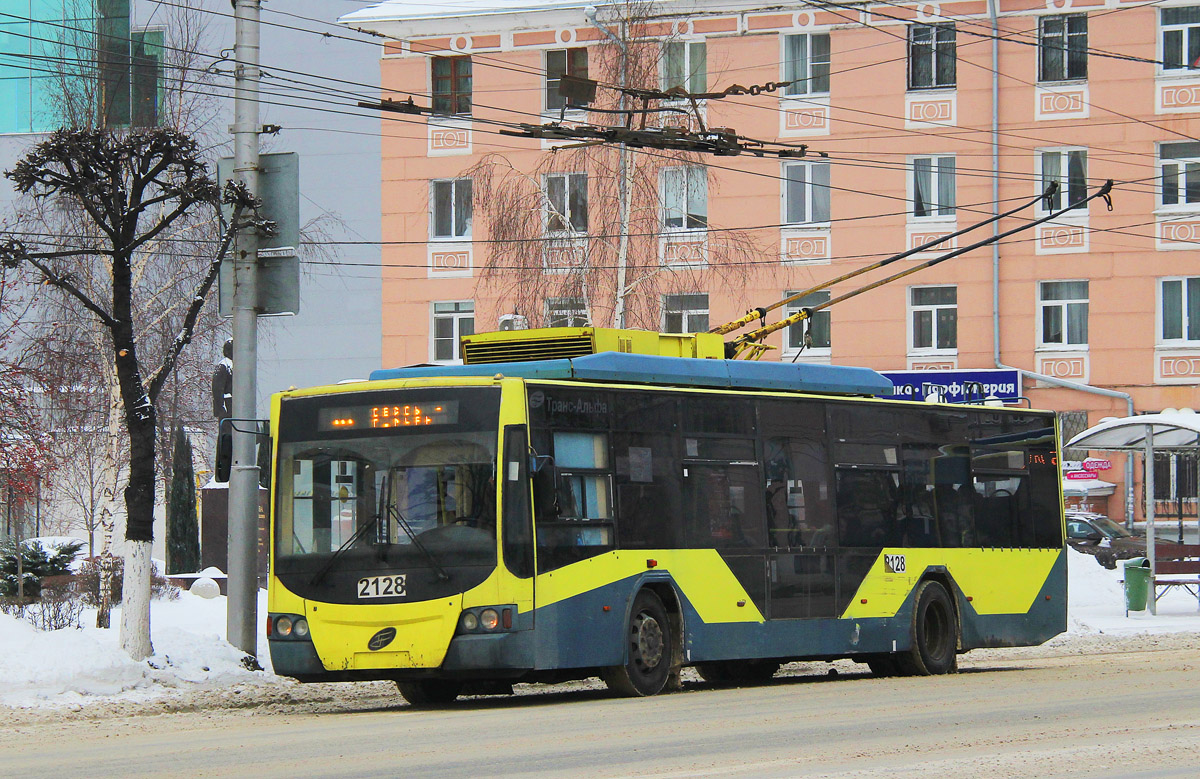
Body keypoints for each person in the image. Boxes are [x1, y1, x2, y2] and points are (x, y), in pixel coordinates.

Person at [212, 339, 233, 481]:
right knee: (226, 438)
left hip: (237, 407)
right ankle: (223, 468)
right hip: (228, 408)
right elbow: (217, 389)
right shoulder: (223, 366)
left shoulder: (236, 365)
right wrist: (220, 409)